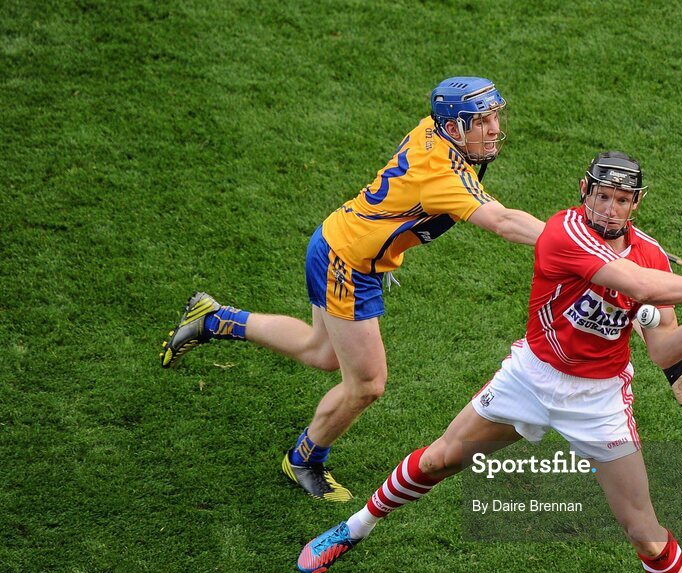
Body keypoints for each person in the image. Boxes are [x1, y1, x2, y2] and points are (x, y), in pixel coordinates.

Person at [296, 151, 682, 573]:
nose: (609, 209)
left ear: (637, 203)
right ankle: (354, 529)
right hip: (531, 378)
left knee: (645, 532)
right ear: (585, 190)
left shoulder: (653, 258)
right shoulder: (564, 235)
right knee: (443, 457)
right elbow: (641, 289)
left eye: (622, 199)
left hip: (599, 401)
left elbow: (665, 352)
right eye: (601, 196)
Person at [159, 77, 545, 502]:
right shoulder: (442, 174)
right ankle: (304, 458)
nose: (493, 128)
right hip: (347, 264)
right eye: (481, 120)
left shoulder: (431, 130)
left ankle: (214, 320)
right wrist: (570, 243)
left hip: (337, 242)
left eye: (494, 116)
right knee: (367, 383)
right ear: (452, 128)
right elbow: (504, 222)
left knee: (320, 351)